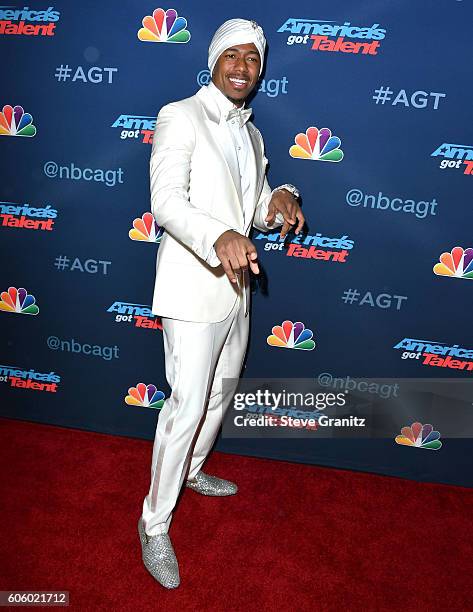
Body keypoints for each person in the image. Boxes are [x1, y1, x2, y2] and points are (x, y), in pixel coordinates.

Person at [139, 18, 305, 589]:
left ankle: (192, 471)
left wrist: (280, 198)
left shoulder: (253, 135)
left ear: (260, 71)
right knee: (185, 405)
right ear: (213, 60)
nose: (241, 67)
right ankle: (154, 523)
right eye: (231, 55)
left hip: (238, 288)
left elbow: (253, 206)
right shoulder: (179, 116)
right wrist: (217, 237)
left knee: (221, 390)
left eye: (252, 59)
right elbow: (165, 203)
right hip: (192, 286)